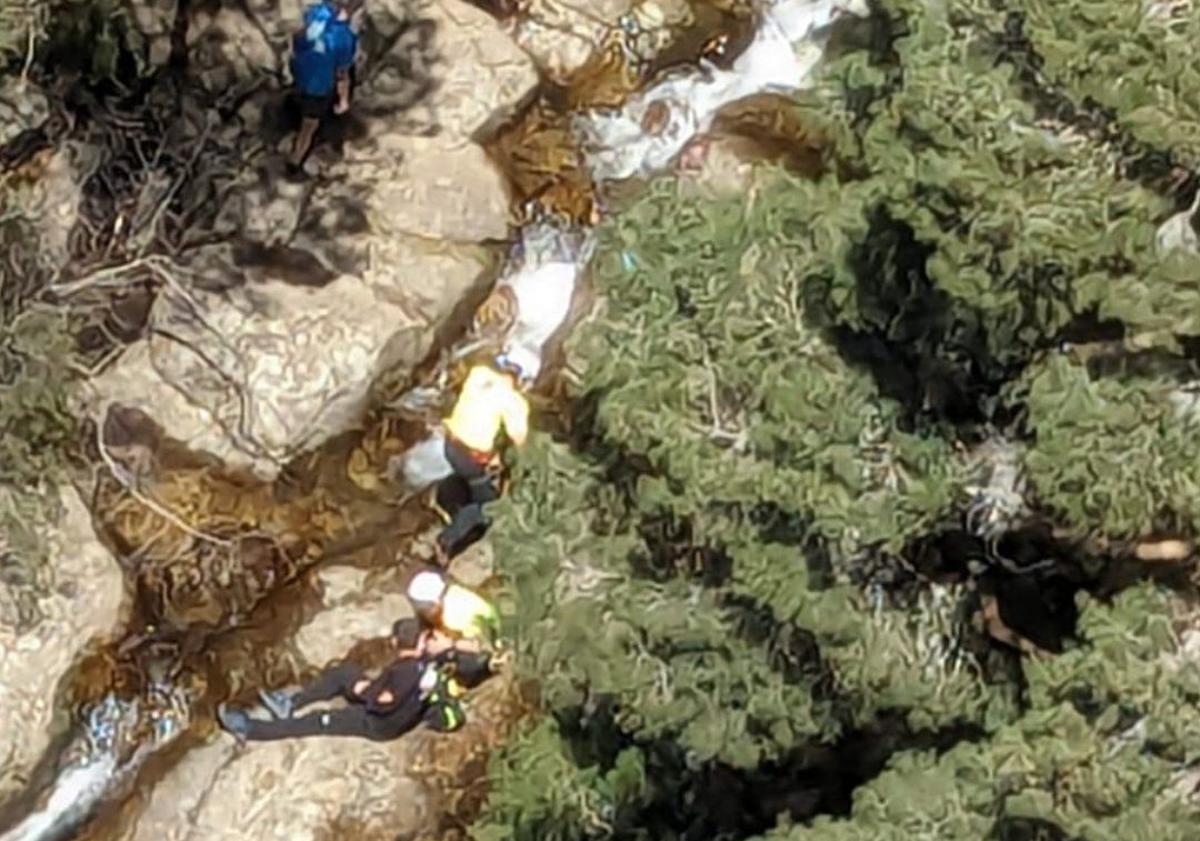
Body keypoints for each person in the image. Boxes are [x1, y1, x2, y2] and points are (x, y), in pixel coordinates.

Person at [216, 618, 466, 743]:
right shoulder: (423, 666)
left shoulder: (408, 671)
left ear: (394, 642)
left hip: (376, 723)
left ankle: (250, 730)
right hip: (389, 706)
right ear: (420, 643)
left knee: (317, 721)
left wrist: (365, 692)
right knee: (344, 673)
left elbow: (385, 700)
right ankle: (292, 702)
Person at [436, 349, 535, 559]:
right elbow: (520, 439)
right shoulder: (514, 402)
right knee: (488, 507)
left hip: (450, 445)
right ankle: (446, 540)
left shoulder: (479, 374)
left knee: (471, 478)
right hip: (470, 457)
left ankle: (451, 501)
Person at [287, 0, 359, 177]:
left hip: (298, 73)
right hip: (318, 87)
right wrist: (343, 100)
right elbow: (342, 73)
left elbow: (298, 34)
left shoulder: (317, 11)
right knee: (309, 126)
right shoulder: (345, 37)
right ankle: (295, 162)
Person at [406, 568, 501, 655]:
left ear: (434, 602)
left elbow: (477, 643)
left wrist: (450, 645)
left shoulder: (451, 617)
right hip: (495, 617)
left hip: (495, 635)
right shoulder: (455, 590)